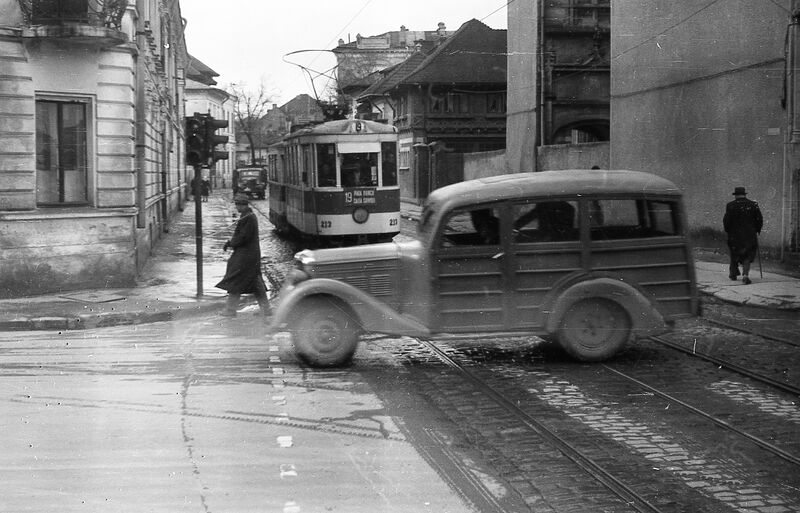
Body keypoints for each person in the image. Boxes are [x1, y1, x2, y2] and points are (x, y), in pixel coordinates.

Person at [216, 193, 271, 317]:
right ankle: (266, 309)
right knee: (256, 282)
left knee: (236, 278)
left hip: (246, 255)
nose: (236, 207)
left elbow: (243, 237)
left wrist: (230, 243)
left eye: (237, 204)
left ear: (242, 205)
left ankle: (230, 310)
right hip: (251, 255)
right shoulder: (247, 216)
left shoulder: (248, 217)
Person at [723, 186, 763, 284]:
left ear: (736, 195)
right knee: (747, 256)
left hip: (735, 235)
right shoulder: (753, 205)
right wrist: (757, 230)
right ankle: (745, 275)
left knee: (734, 252)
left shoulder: (730, 205)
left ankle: (733, 273)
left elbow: (726, 221)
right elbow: (759, 219)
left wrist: (728, 231)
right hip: (749, 235)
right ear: (744, 194)